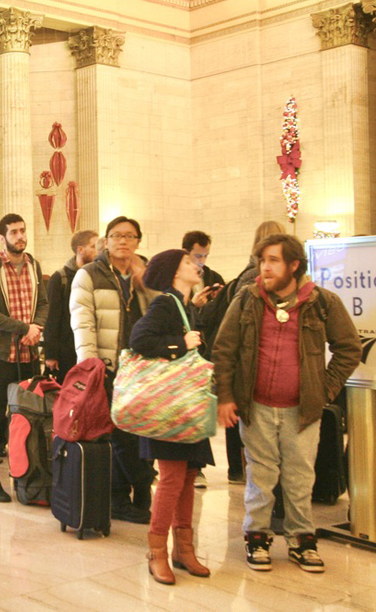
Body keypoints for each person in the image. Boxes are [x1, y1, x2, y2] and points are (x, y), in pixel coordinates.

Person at [212, 233, 360, 573]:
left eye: (273, 260)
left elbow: (349, 347)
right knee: (260, 477)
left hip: (302, 410)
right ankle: (257, 536)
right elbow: (224, 349)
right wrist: (226, 397)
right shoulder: (247, 300)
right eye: (262, 260)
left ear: (294, 265)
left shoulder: (322, 301)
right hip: (258, 405)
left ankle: (301, 539)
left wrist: (325, 389)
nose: (265, 267)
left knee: (299, 476)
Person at [130, 249, 215, 584]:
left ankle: (184, 549)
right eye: (187, 263)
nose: (196, 266)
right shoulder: (166, 302)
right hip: (170, 406)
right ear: (173, 273)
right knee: (171, 479)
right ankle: (156, 553)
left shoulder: (184, 304)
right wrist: (180, 342)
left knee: (188, 475)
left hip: (185, 405)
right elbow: (139, 340)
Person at [71, 216, 156, 523]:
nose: (123, 241)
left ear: (138, 241)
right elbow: (82, 321)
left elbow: (162, 310)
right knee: (118, 435)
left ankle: (125, 495)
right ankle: (136, 490)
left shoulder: (145, 272)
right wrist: (90, 364)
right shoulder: (89, 274)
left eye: (130, 236)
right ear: (105, 241)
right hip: (107, 366)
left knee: (137, 433)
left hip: (142, 367)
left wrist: (144, 281)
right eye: (116, 236)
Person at [199, 220, 286, 485]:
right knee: (244, 419)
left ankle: (239, 469)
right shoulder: (254, 279)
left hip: (247, 360)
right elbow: (236, 334)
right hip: (250, 361)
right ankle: (240, 469)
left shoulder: (248, 272)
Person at [0, 214, 49, 503]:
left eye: (22, 231)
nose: (20, 236)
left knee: (28, 416)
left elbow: (42, 303)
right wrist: (23, 328)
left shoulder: (34, 265)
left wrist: (37, 329)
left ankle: (26, 472)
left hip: (28, 353)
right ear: (2, 237)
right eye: (13, 232)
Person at [45, 230, 97, 383]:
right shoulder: (60, 278)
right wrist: (51, 355)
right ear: (80, 250)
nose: (98, 251)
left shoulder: (98, 276)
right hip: (66, 352)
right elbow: (52, 318)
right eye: (93, 247)